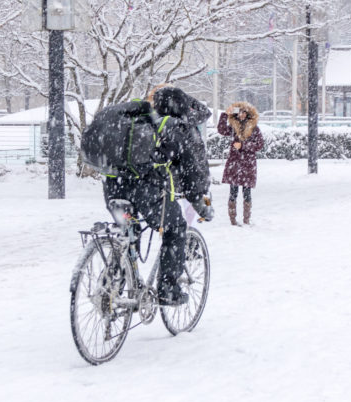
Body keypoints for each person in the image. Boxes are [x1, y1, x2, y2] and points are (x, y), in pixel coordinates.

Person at [101, 86, 214, 306]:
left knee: (129, 231)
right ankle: (168, 290)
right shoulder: (178, 128)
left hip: (113, 185)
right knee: (176, 228)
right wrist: (204, 205)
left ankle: (114, 286)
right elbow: (196, 176)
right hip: (147, 190)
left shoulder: (136, 121)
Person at [218, 101, 264, 225]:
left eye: (243, 112)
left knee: (247, 192)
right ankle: (232, 220)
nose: (241, 114)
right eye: (239, 112)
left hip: (247, 165)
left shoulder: (254, 128)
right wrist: (224, 115)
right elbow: (221, 130)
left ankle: (246, 220)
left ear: (248, 113)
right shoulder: (233, 127)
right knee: (233, 192)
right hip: (235, 164)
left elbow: (259, 144)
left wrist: (243, 145)